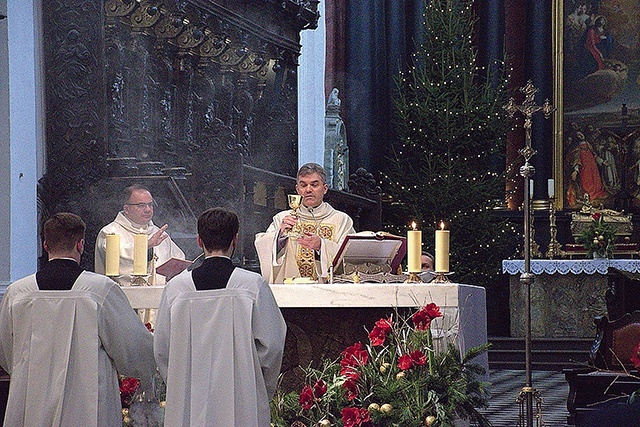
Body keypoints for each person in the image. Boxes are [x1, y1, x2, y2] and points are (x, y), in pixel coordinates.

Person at [0, 213, 155, 427]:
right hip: (87, 404)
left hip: (31, 401)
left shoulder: (17, 292)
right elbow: (133, 348)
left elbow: (7, 353)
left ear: (45, 245)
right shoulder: (99, 291)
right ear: (80, 245)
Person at [154, 208, 286, 427]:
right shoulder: (252, 286)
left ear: (199, 240)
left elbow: (162, 349)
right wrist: (257, 385)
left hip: (188, 400)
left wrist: (181, 383)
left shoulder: (176, 289)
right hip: (241, 398)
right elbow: (272, 347)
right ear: (235, 239)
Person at [255, 162, 355, 283]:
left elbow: (350, 257)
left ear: (325, 188)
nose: (308, 190)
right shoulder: (282, 219)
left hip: (327, 293)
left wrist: (321, 246)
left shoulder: (341, 220)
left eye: (314, 185)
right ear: (297, 189)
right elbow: (264, 247)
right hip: (291, 292)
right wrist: (279, 236)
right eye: (303, 185)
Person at [95, 184, 185, 285]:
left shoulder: (158, 233)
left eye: (150, 205)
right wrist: (146, 246)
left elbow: (179, 261)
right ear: (126, 209)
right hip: (124, 296)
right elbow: (117, 258)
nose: (148, 209)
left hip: (159, 296)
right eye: (141, 205)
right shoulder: (110, 232)